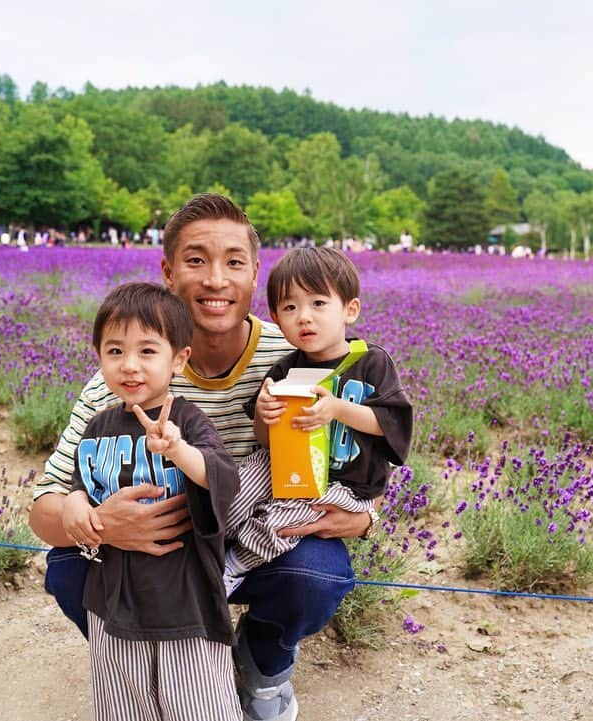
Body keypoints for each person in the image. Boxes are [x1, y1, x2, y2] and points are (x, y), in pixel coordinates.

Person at [29, 193, 376, 721]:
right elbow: (45, 509)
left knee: (317, 577)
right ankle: (141, 664)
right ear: (168, 271)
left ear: (255, 273)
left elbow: (372, 445)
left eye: (233, 262)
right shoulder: (121, 378)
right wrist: (98, 523)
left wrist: (367, 514)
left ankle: (260, 665)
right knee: (68, 568)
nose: (216, 279)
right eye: (196, 260)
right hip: (153, 550)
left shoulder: (300, 356)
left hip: (251, 543)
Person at [59, 281, 240, 720]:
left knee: (198, 705)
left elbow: (223, 479)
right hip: (112, 599)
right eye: (115, 351)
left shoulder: (186, 421)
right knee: (123, 703)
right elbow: (85, 483)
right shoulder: (97, 427)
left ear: (179, 359)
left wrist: (177, 450)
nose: (130, 366)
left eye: (147, 351)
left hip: (183, 600)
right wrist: (75, 503)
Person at [223, 247, 412, 596]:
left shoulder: (371, 362)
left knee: (283, 522)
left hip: (344, 486)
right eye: (290, 307)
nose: (304, 317)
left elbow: (390, 423)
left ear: (350, 310)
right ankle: (211, 542)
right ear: (277, 319)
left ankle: (235, 564)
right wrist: (265, 415)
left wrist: (338, 409)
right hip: (288, 468)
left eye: (318, 304)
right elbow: (267, 440)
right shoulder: (286, 367)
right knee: (236, 483)